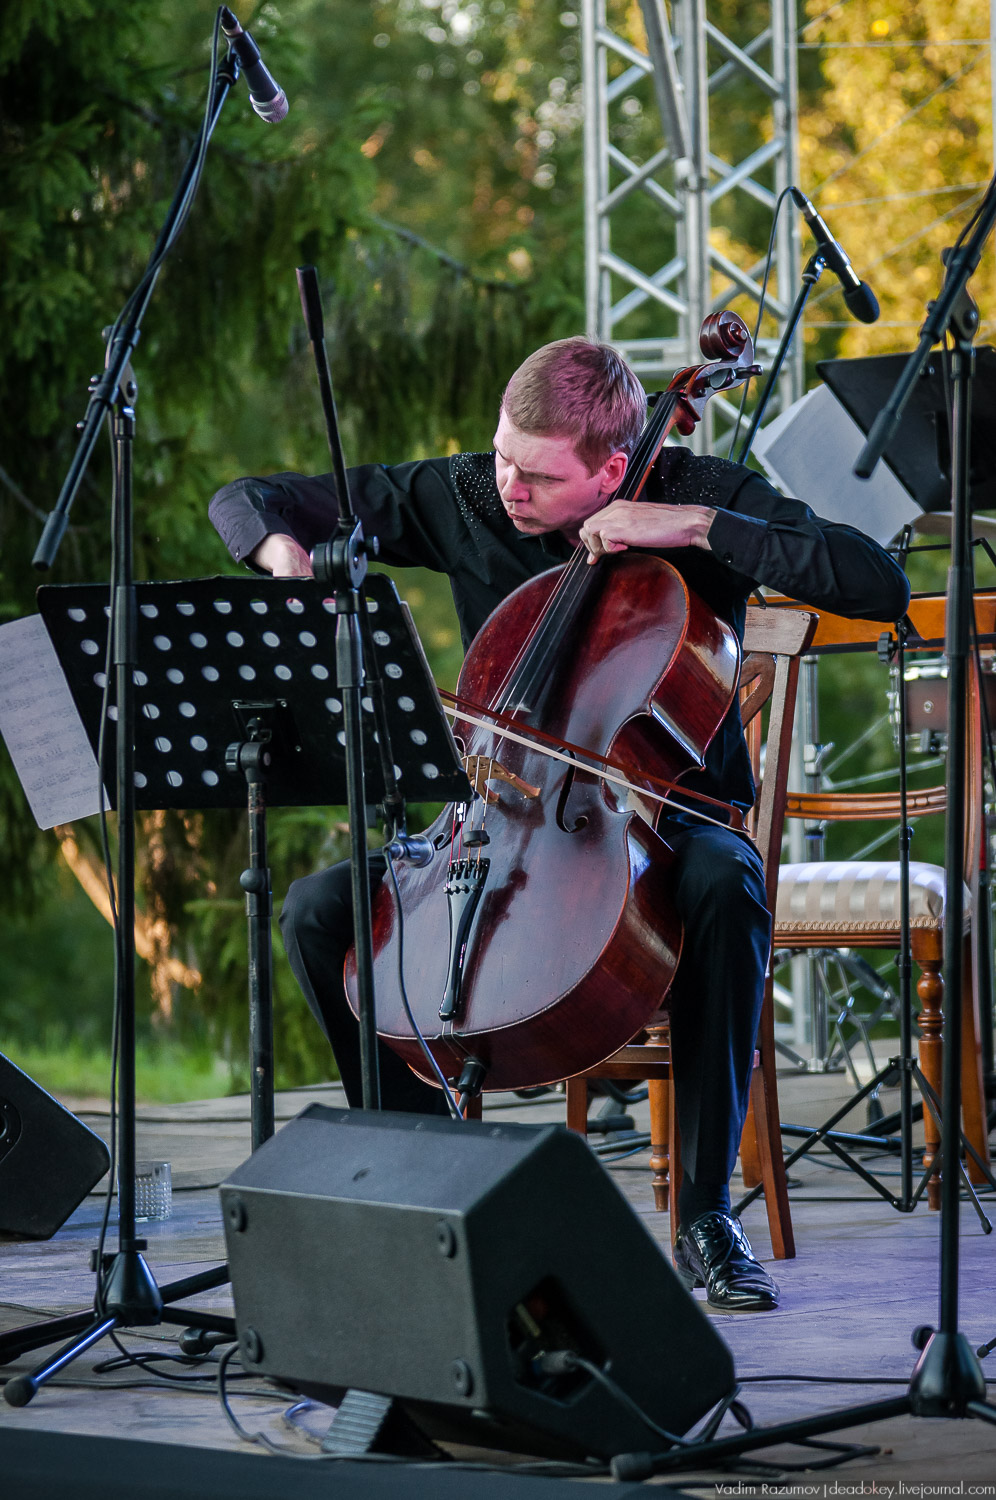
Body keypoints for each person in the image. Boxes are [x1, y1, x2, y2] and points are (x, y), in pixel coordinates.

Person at [209, 337, 910, 1312]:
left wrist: (697, 527)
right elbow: (252, 498)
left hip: (662, 826)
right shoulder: (469, 496)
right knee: (320, 913)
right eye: (502, 454)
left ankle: (707, 1212)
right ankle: (424, 1185)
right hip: (497, 821)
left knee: (725, 885)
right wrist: (285, 555)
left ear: (614, 470)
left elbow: (875, 581)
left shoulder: (702, 489)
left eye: (537, 473)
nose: (508, 484)